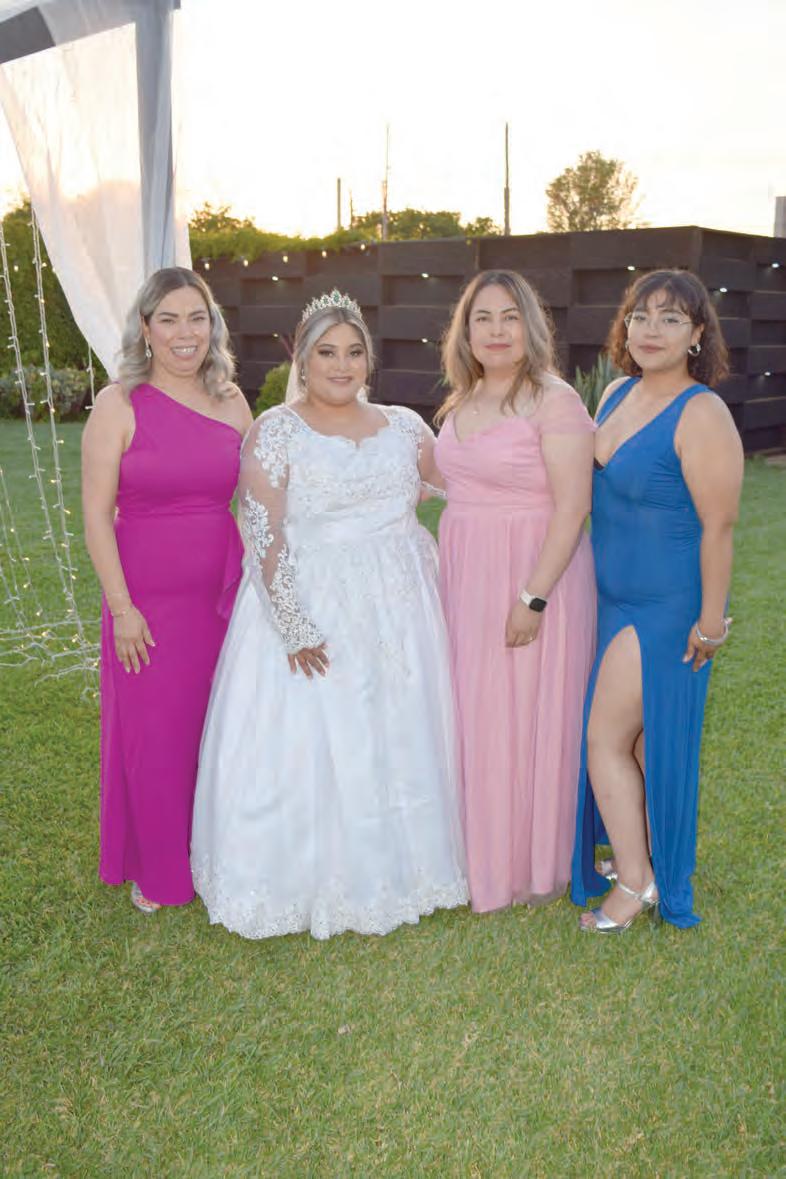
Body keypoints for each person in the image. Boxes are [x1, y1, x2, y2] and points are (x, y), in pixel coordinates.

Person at [190, 290, 468, 939]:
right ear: (304, 361)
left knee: (401, 728)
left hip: (401, 605)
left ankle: (409, 864)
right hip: (313, 601)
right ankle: (310, 874)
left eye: (353, 352)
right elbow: (264, 531)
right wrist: (293, 624)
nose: (342, 366)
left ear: (369, 359)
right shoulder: (275, 430)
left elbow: (459, 485)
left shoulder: (405, 426)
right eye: (327, 353)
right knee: (318, 733)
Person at [571, 268, 744, 932]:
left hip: (665, 608)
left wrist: (711, 621)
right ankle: (641, 856)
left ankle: (635, 883)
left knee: (605, 738)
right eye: (641, 316)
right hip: (610, 597)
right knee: (641, 743)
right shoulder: (616, 392)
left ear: (697, 334)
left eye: (671, 319)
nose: (651, 330)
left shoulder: (703, 412)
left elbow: (719, 526)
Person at [82, 267, 252, 914]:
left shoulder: (232, 401)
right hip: (145, 605)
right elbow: (96, 515)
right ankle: (157, 868)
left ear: (213, 326)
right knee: (154, 736)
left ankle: (214, 851)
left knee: (217, 726)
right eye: (170, 319)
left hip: (221, 598)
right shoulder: (118, 404)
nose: (186, 333)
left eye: (197, 318)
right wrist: (122, 608)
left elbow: (259, 498)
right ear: (146, 328)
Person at [434, 270, 596, 912]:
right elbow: (448, 483)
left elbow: (573, 507)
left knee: (527, 711)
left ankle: (530, 863)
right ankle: (477, 852)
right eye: (483, 318)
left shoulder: (554, 401)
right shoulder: (460, 401)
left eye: (509, 317)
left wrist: (533, 597)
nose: (496, 331)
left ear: (530, 326)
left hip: (535, 574)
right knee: (476, 711)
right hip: (466, 575)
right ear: (465, 331)